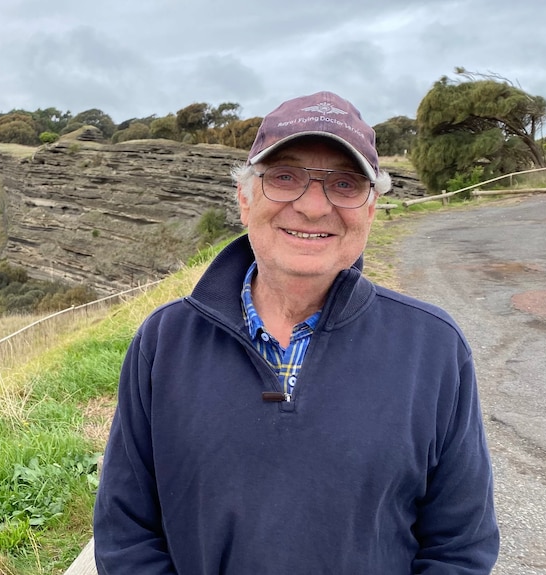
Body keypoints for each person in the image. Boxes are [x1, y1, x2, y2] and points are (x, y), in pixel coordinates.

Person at [93, 91, 499, 574]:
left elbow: (460, 547)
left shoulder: (433, 347)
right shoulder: (164, 341)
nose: (311, 206)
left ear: (370, 211)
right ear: (244, 200)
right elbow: (126, 534)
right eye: (285, 177)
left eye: (345, 184)